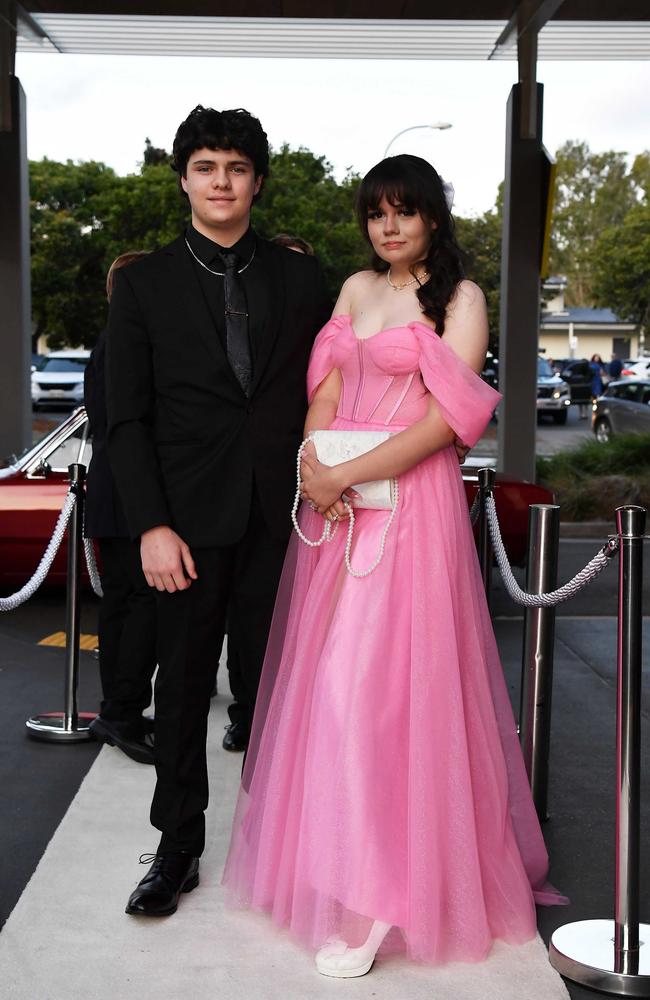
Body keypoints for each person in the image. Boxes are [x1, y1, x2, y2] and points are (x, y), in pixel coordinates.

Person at [223, 154, 566, 977]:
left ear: (432, 218)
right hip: (341, 511)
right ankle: (346, 865)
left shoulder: (461, 299)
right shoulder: (353, 289)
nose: (389, 226)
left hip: (413, 514)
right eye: (377, 213)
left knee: (383, 698)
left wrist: (349, 469)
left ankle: (384, 897)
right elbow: (327, 388)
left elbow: (453, 421)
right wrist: (316, 458)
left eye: (404, 212)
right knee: (335, 696)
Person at [105, 106, 332, 917]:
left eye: (236, 167)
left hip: (287, 517)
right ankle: (177, 849)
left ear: (258, 181)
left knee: (282, 689)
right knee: (185, 688)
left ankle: (285, 848)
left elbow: (340, 383)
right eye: (206, 167)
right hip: (185, 525)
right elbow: (122, 416)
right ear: (184, 179)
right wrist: (151, 527)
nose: (221, 182)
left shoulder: (306, 279)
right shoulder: (142, 283)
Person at [85, 251, 157, 766]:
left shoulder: (112, 343)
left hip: (117, 496)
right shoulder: (121, 346)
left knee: (123, 609)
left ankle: (122, 708)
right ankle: (121, 714)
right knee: (136, 608)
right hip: (125, 497)